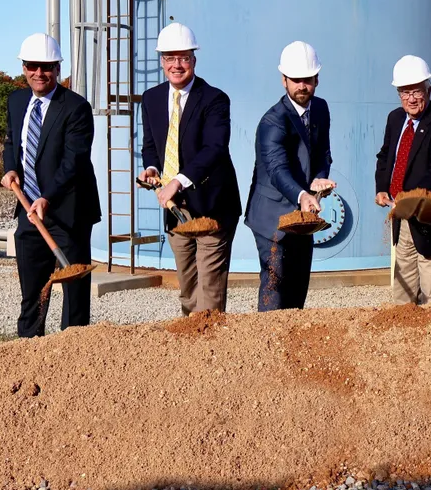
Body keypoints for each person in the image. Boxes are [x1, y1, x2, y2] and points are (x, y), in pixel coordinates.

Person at [138, 22, 242, 316]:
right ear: (162, 61)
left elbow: (215, 148)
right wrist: (152, 169)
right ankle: (191, 352)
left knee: (209, 293)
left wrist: (178, 181)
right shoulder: (152, 99)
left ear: (194, 60)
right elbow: (151, 144)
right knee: (188, 289)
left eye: (184, 58)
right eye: (170, 58)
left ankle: (211, 350)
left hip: (213, 206)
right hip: (176, 211)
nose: (177, 65)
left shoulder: (215, 99)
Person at [1, 33, 100, 338]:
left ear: (58, 68)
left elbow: (75, 161)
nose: (39, 73)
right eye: (32, 66)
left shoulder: (75, 107)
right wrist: (10, 169)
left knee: (74, 293)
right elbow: (11, 141)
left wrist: (47, 197)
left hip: (69, 211)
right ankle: (30, 346)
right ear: (24, 67)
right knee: (32, 287)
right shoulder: (16, 101)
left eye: (46, 66)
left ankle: (73, 351)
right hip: (29, 210)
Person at [244, 41, 335, 311]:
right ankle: (268, 344)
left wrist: (319, 178)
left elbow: (323, 153)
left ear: (317, 78)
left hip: (302, 216)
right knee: (275, 290)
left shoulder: (320, 109)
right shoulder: (273, 121)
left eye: (307, 80)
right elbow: (276, 168)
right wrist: (303, 194)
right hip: (271, 217)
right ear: (284, 80)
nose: (302, 86)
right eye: (296, 80)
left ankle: (293, 348)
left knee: (297, 290)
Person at [374, 55, 431, 304]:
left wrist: (407, 195)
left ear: (429, 91)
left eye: (417, 91)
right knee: (403, 297)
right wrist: (382, 188)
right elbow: (385, 156)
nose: (411, 98)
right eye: (404, 92)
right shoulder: (395, 118)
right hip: (404, 222)